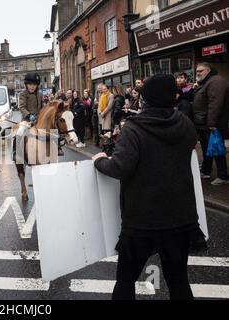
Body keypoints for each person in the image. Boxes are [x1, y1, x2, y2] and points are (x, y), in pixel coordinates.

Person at [93, 74, 207, 300]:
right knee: (178, 281)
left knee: (125, 281)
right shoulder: (185, 124)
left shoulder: (134, 128)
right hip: (180, 218)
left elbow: (121, 168)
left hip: (142, 221)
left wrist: (99, 161)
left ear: (146, 100)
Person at [193, 62, 229, 185]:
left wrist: (212, 123)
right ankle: (206, 171)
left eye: (200, 71)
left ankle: (223, 176)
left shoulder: (216, 81)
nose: (197, 73)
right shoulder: (207, 82)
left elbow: (215, 104)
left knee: (216, 149)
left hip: (211, 124)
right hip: (204, 123)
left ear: (208, 71)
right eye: (197, 71)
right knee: (206, 149)